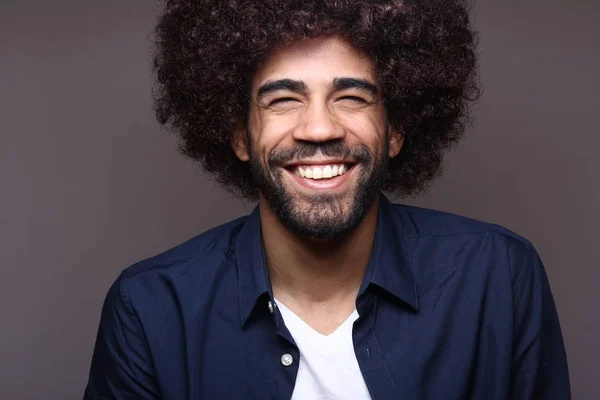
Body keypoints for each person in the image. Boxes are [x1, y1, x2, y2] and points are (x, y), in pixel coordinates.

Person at [84, 0, 570, 399]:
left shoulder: (498, 277)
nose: (319, 128)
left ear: (395, 128)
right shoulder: (150, 309)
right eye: (283, 99)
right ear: (240, 135)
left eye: (352, 97)